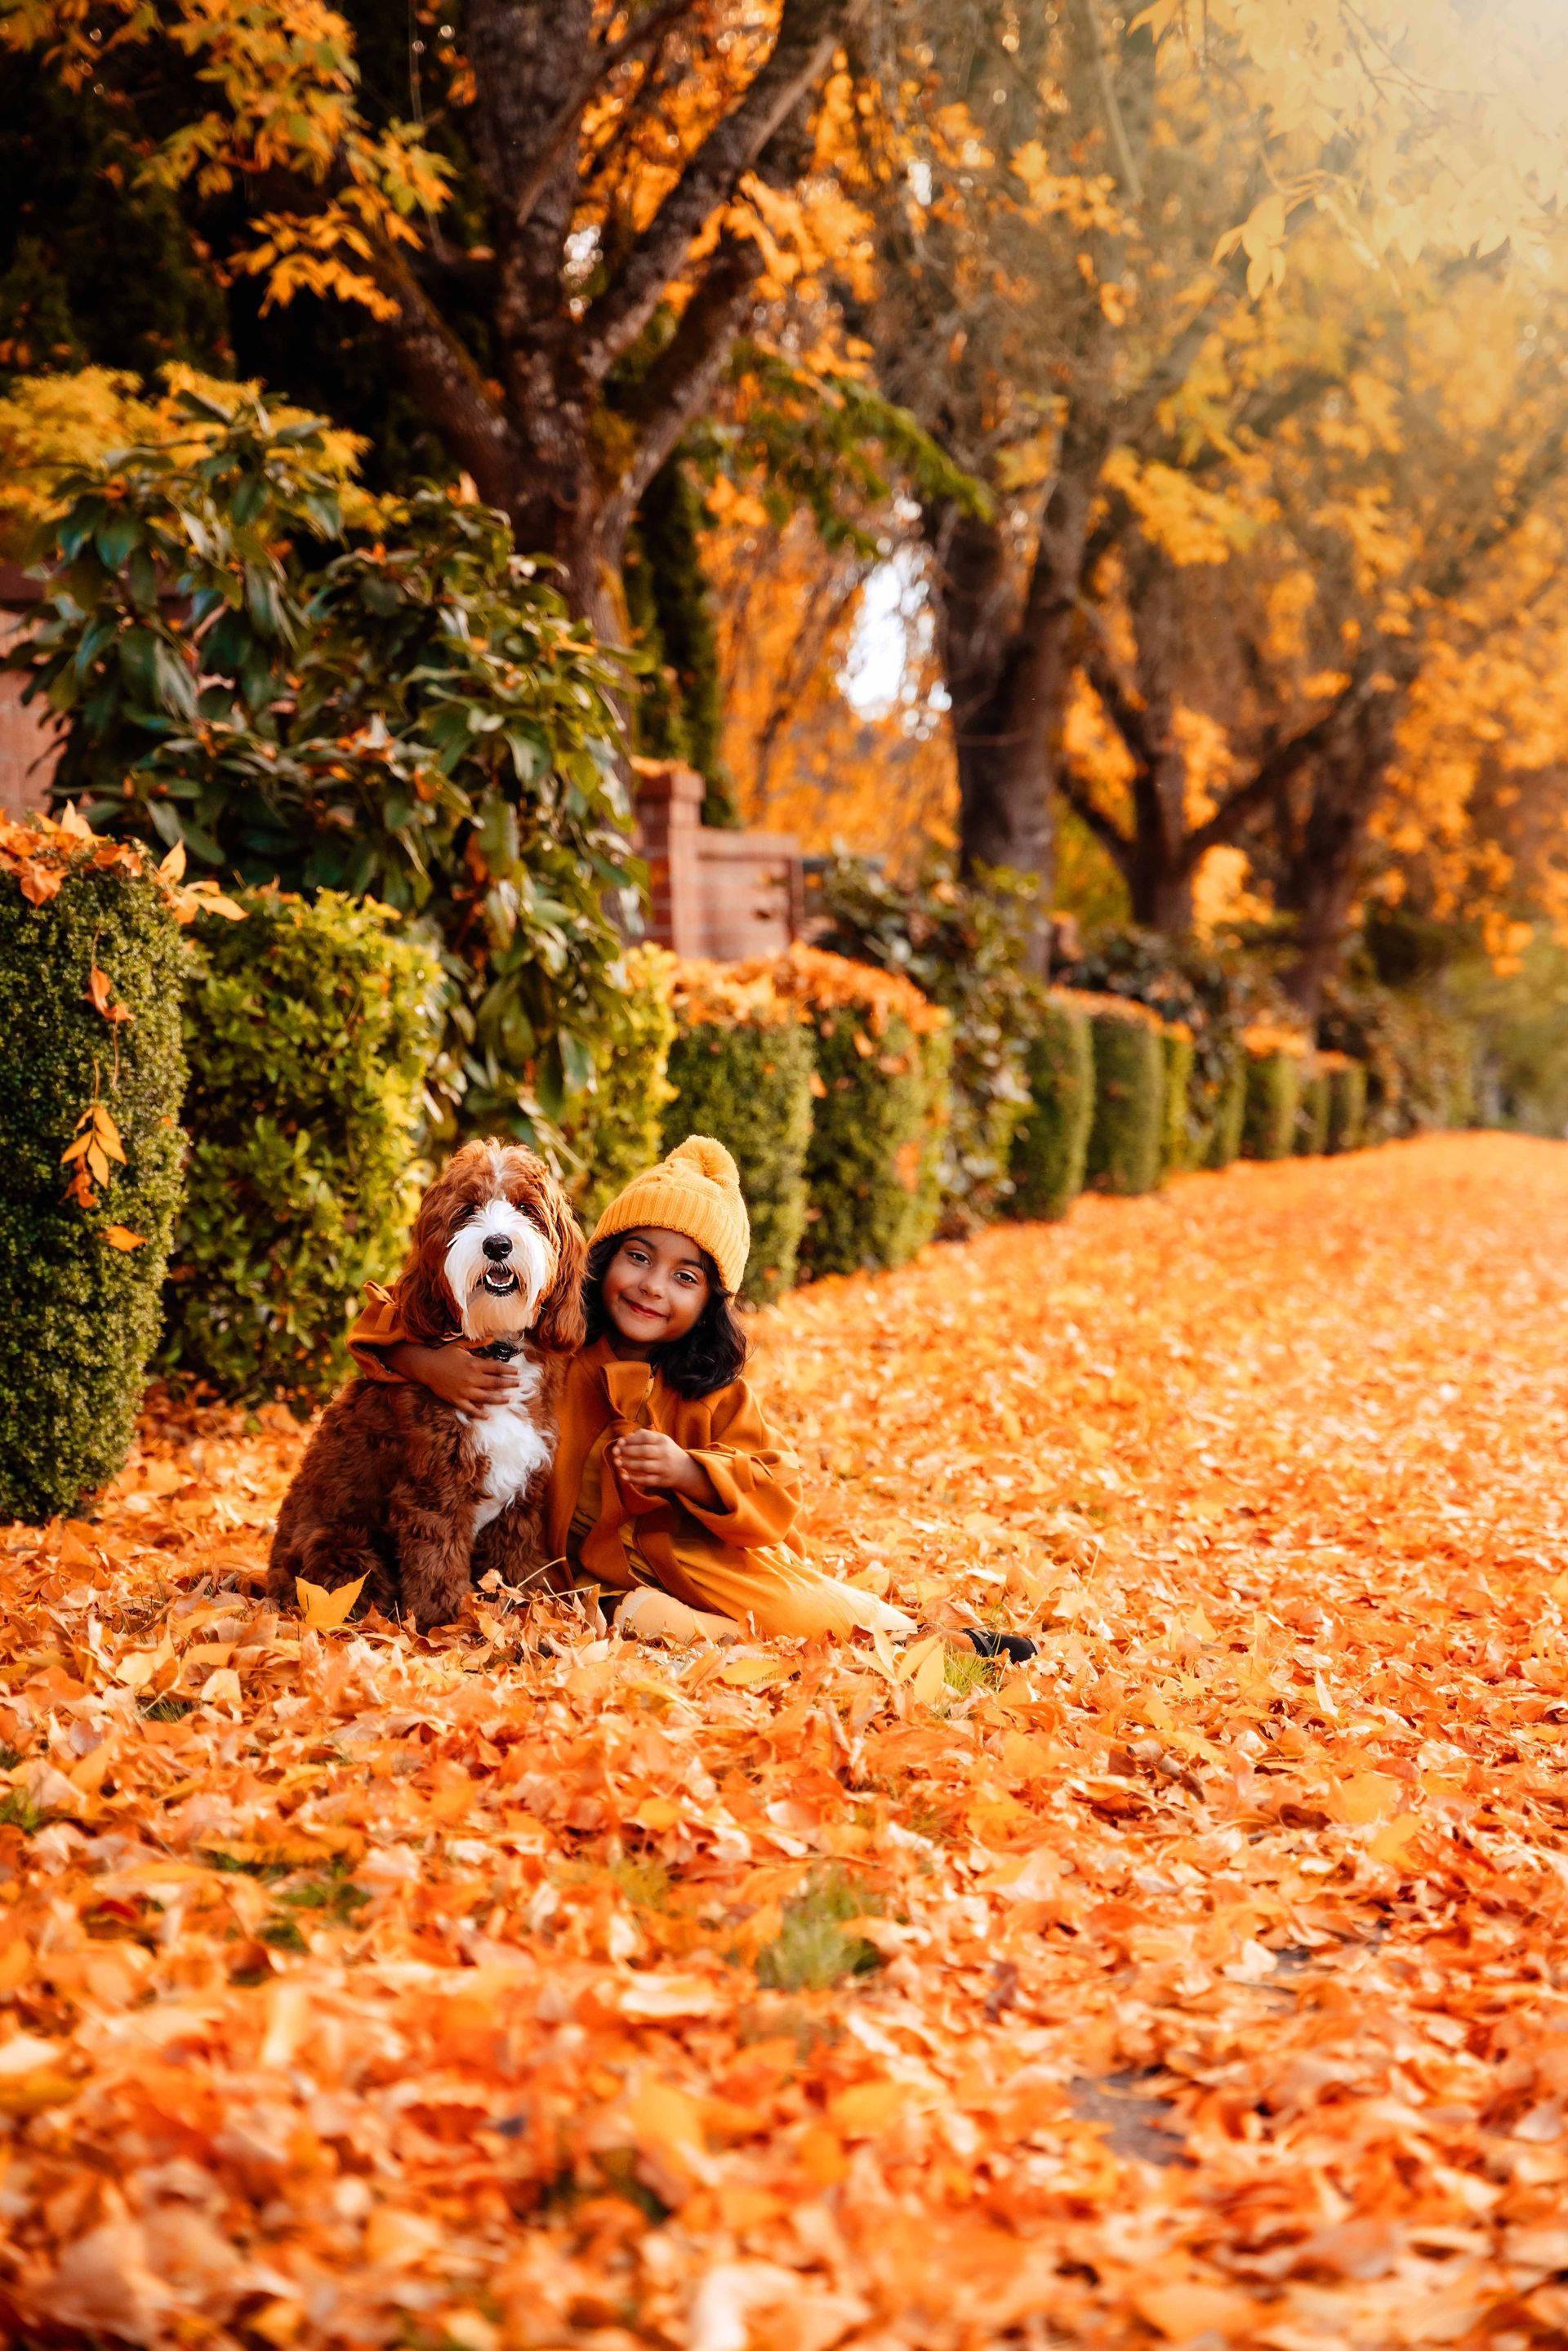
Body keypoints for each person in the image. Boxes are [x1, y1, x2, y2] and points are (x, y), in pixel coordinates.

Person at [350, 1135, 1031, 1654]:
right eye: (638, 1257)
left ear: (710, 1300)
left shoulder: (709, 1391)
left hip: (703, 1556)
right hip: (605, 1587)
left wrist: (689, 1470)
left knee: (799, 1604)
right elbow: (388, 1314)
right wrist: (429, 1364)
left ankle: (929, 1638)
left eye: (685, 1276)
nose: (652, 1286)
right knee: (680, 1627)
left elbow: (777, 1486)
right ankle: (855, 1644)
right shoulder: (558, 1349)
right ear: (598, 1259)